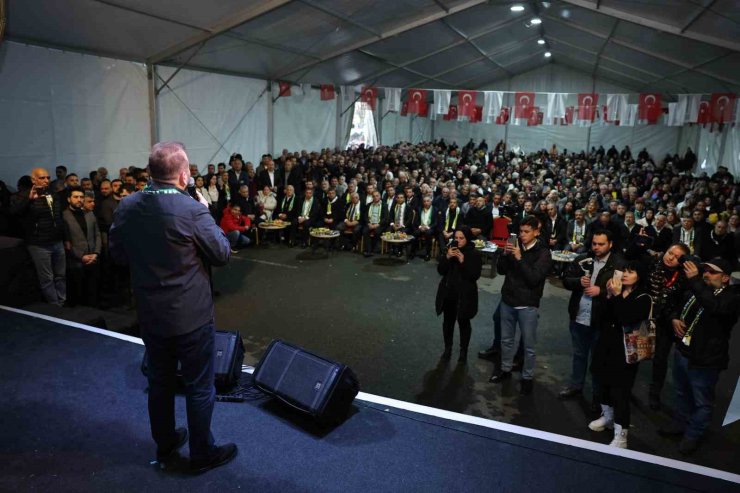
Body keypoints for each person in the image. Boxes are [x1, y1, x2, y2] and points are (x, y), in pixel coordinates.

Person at [109, 141, 236, 473]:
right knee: (198, 385)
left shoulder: (127, 205)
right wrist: (206, 212)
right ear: (184, 176)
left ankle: (165, 443)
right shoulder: (192, 210)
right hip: (190, 316)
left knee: (160, 382)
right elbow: (222, 254)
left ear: (150, 172)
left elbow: (118, 255)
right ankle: (202, 452)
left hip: (150, 313)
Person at [661, 258, 739, 455]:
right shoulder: (697, 289)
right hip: (683, 351)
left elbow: (714, 306)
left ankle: (692, 435)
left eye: (713, 272)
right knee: (681, 393)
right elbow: (676, 304)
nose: (706, 274)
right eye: (705, 271)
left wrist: (695, 281)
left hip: (705, 359)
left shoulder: (731, 298)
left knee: (702, 401)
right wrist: (674, 318)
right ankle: (680, 423)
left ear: (726, 278)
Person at [588, 262, 651, 449]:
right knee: (601, 382)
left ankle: (621, 434)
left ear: (639, 276)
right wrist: (608, 296)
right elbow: (603, 317)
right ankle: (607, 417)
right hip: (606, 344)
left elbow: (627, 318)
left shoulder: (643, 297)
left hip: (626, 351)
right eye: (624, 270)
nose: (625, 274)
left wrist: (615, 296)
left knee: (620, 392)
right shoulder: (617, 290)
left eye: (631, 271)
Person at [560, 230, 625, 410]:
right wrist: (577, 282)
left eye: (601, 244)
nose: (596, 247)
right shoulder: (582, 258)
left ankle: (598, 397)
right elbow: (565, 279)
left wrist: (601, 292)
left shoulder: (618, 264)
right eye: (594, 243)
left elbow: (623, 290)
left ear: (610, 244)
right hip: (579, 316)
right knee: (579, 355)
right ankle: (576, 386)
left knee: (599, 362)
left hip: (602, 320)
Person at [490, 216, 553, 395]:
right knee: (506, 340)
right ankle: (505, 369)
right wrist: (504, 254)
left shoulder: (543, 253)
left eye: (527, 232)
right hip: (508, 300)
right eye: (521, 231)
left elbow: (534, 278)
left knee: (528, 345)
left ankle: (527, 378)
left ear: (536, 232)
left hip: (528, 304)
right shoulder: (514, 245)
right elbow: (501, 270)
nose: (523, 235)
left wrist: (518, 258)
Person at [11, 167, 66, 306]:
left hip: (57, 240)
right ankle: (55, 306)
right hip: (38, 244)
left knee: (61, 275)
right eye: (42, 178)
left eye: (47, 177)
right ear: (33, 180)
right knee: (47, 278)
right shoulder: (22, 195)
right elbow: (13, 214)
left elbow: (59, 217)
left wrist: (65, 238)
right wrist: (29, 200)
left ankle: (62, 302)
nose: (46, 180)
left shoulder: (53, 194)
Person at [435, 227, 482, 363]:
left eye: (461, 238)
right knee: (448, 323)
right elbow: (441, 270)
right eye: (456, 238)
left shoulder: (473, 254)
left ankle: (463, 352)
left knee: (463, 323)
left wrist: (463, 262)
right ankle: (448, 348)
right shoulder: (450, 249)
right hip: (449, 293)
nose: (458, 241)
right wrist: (447, 257)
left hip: (464, 295)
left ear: (467, 239)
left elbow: (474, 276)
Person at [62, 187, 101, 307]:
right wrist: (81, 256)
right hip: (75, 261)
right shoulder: (64, 216)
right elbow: (66, 241)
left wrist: (96, 253)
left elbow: (97, 234)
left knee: (93, 292)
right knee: (78, 295)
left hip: (93, 258)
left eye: (81, 197)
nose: (79, 199)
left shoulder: (89, 213)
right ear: (69, 199)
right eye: (76, 197)